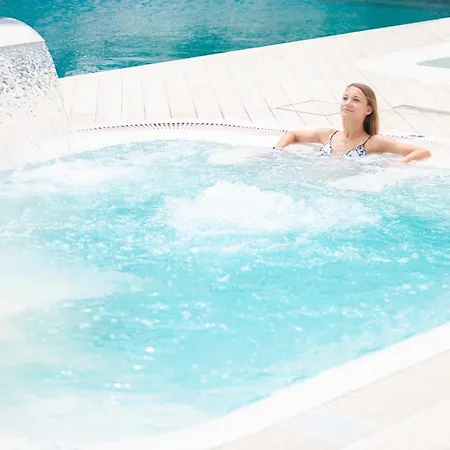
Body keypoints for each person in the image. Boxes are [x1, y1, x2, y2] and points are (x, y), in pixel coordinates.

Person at [273, 83, 431, 164]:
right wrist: (277, 151)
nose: (347, 103)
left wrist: (397, 165)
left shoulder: (373, 142)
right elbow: (292, 134)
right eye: (345, 98)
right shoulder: (328, 135)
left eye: (355, 100)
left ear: (368, 110)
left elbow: (423, 151)